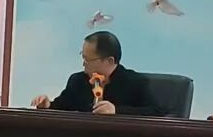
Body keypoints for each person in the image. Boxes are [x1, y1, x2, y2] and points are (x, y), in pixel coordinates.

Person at [31, 31, 163, 116]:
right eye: (83, 57)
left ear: (109, 61)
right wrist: (47, 105)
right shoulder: (77, 80)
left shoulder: (134, 82)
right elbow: (62, 106)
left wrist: (116, 110)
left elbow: (156, 112)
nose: (84, 64)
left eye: (88, 59)